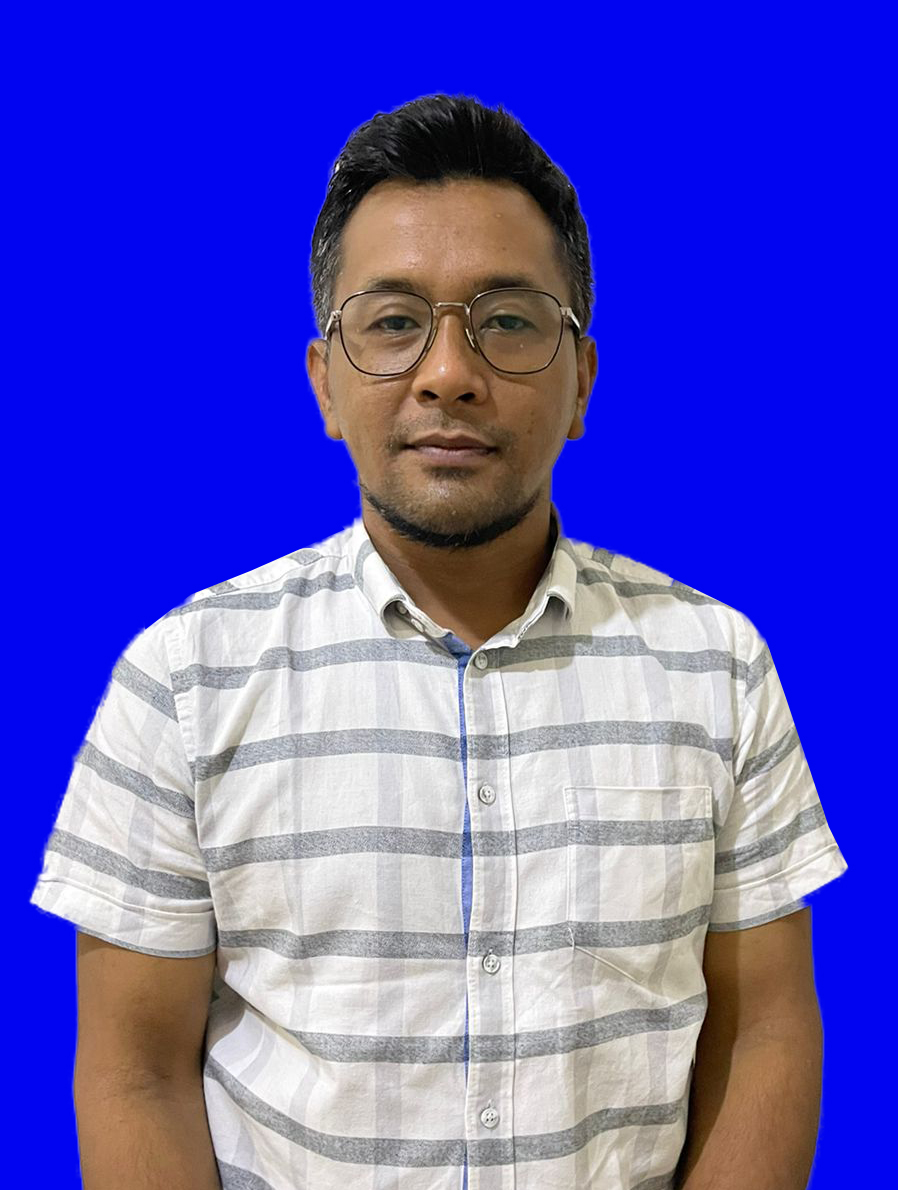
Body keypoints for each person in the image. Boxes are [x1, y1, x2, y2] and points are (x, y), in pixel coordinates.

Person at [31, 94, 847, 1190]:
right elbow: (135, 1072)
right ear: (324, 382)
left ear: (581, 381)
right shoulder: (183, 679)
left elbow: (765, 1035)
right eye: (392, 322)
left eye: (507, 321)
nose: (449, 371)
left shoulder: (717, 665)